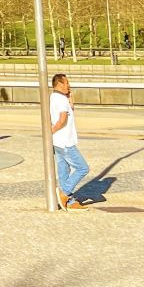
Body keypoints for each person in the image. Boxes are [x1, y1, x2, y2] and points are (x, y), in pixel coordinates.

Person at [50, 73, 91, 209]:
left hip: (58, 142)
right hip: (65, 142)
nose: (69, 85)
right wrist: (53, 130)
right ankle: (65, 193)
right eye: (67, 83)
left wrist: (70, 98)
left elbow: (69, 111)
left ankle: (69, 201)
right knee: (82, 168)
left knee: (64, 170)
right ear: (60, 84)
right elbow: (63, 119)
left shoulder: (57, 97)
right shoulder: (60, 99)